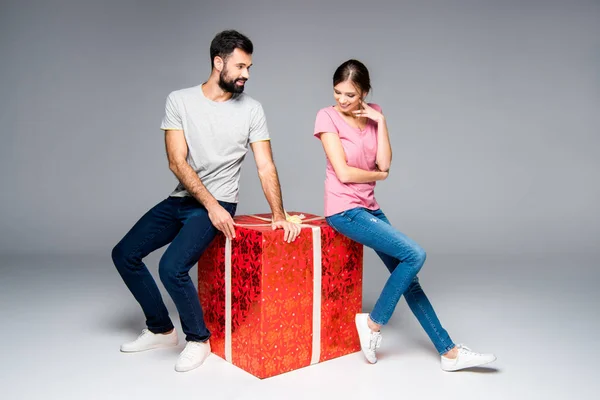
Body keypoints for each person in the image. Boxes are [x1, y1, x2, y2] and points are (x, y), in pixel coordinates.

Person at [112, 30, 301, 373]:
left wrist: (279, 214)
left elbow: (265, 164)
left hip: (222, 202)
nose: (247, 74)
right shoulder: (179, 100)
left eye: (250, 67)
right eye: (241, 66)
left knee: (172, 268)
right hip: (186, 199)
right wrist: (208, 204)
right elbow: (176, 161)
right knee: (124, 254)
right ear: (218, 62)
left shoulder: (253, 109)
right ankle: (161, 328)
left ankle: (198, 339)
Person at [313, 59, 496, 371]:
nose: (342, 101)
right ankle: (372, 324)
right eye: (337, 93)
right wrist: (378, 177)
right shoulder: (326, 116)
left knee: (410, 280)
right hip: (344, 210)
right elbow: (343, 172)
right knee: (414, 255)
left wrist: (380, 122)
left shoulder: (376, 114)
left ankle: (449, 352)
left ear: (365, 94)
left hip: (368, 208)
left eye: (350, 95)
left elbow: (384, 163)